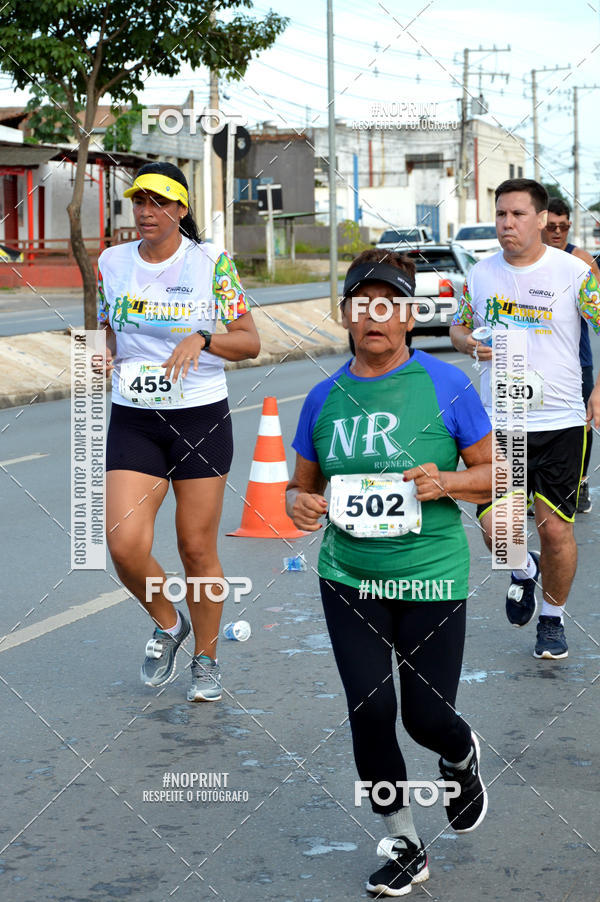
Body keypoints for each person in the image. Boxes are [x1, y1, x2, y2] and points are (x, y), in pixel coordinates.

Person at [286, 248, 493, 897]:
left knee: (426, 719)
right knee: (371, 709)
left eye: (388, 304)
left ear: (408, 316)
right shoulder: (322, 398)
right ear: (346, 314)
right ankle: (403, 841)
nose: (374, 315)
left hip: (432, 575)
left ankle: (459, 754)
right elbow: (299, 488)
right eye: (362, 303)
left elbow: (500, 473)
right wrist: (298, 504)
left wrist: (448, 480)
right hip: (350, 578)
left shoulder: (448, 385)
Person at [96, 161, 260, 701]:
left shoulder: (211, 262)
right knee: (124, 544)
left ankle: (207, 659)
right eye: (139, 201)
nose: (146, 211)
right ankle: (169, 624)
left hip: (198, 417)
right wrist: (103, 354)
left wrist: (203, 340)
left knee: (195, 547)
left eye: (159, 202)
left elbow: (249, 340)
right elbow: (109, 329)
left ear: (180, 209)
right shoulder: (112, 261)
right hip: (135, 416)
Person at [450, 178, 600, 660]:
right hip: (499, 422)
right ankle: (523, 570)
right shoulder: (479, 274)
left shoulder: (574, 272)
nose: (507, 223)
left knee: (555, 530)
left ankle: (552, 620)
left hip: (560, 420)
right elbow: (458, 326)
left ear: (541, 219)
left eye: (517, 214)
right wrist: (468, 344)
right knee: (500, 531)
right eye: (501, 214)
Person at [542, 197, 599, 513]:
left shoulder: (581, 260)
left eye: (563, 227)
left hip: (577, 358)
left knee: (581, 422)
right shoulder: (529, 258)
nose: (557, 232)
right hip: (537, 359)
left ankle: (581, 482)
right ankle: (537, 488)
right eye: (552, 226)